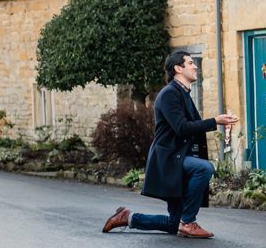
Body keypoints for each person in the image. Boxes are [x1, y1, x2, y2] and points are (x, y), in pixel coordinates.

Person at [102, 51, 238, 238]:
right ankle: (188, 222)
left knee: (174, 224)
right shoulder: (169, 94)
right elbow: (182, 128)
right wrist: (215, 121)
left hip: (180, 158)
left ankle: (128, 218)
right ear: (178, 69)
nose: (195, 66)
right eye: (190, 63)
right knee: (204, 168)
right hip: (169, 160)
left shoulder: (183, 94)